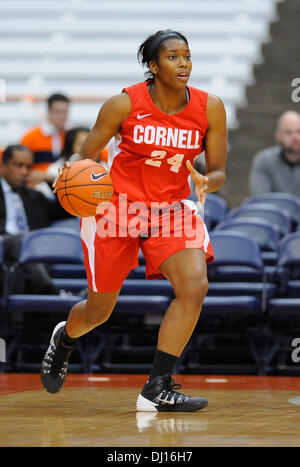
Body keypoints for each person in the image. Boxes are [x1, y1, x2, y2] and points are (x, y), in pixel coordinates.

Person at [41, 30, 227, 412]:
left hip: (172, 208)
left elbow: (220, 169)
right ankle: (64, 338)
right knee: (98, 312)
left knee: (194, 287)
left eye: (187, 57)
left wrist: (210, 180)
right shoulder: (123, 104)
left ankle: (157, 386)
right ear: (154, 66)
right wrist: (71, 184)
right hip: (116, 208)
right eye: (174, 57)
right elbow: (82, 159)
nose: (184, 64)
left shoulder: (211, 107)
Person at [0, 144, 71, 294]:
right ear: (3, 165)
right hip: (4, 245)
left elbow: (66, 210)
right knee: (21, 241)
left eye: (28, 167)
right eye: (18, 166)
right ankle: (55, 295)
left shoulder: (35, 197)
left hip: (31, 257)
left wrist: (50, 180)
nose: (24, 172)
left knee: (22, 265)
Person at [20, 93, 70, 193]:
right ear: (48, 111)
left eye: (65, 112)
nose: (62, 116)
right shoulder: (31, 136)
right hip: (36, 190)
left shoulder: (71, 136)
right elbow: (20, 165)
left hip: (64, 190)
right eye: (57, 112)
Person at [249, 110, 300, 197]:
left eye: (299, 131)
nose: (295, 137)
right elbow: (261, 200)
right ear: (278, 136)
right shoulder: (264, 161)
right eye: (288, 132)